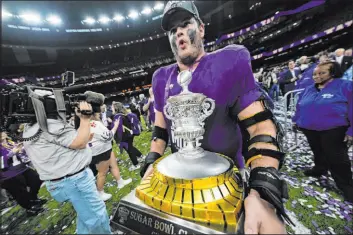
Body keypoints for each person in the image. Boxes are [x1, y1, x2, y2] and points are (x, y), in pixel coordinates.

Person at [140, 1, 291, 234]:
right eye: (172, 30)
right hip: (181, 179)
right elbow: (160, 130)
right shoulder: (161, 78)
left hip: (226, 182)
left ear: (201, 28)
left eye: (185, 23)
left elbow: (260, 125)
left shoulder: (230, 60)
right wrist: (151, 161)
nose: (178, 31)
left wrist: (261, 192)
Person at [22, 89, 111, 234]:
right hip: (74, 181)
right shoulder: (49, 124)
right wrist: (85, 118)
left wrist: (81, 123)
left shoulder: (32, 126)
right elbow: (80, 143)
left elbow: (73, 141)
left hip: (63, 181)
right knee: (97, 216)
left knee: (86, 216)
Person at [292, 61, 353, 203]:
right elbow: (300, 105)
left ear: (333, 73)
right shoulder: (309, 88)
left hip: (334, 129)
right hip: (309, 128)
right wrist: (296, 119)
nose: (316, 76)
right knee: (317, 150)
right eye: (314, 74)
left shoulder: (345, 86)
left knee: (336, 157)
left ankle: (346, 185)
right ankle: (320, 168)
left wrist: (351, 131)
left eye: (322, 73)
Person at [0, 131, 45, 216]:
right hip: (8, 174)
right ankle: (29, 208)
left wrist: (21, 149)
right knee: (20, 191)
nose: (4, 132)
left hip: (22, 168)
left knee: (36, 179)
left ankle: (32, 198)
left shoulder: (9, 142)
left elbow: (19, 154)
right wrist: (10, 154)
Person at [111, 102, 144, 171]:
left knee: (130, 150)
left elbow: (118, 130)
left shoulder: (117, 116)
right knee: (130, 147)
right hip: (129, 134)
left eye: (112, 107)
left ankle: (136, 164)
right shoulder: (124, 114)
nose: (111, 109)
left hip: (124, 136)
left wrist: (118, 140)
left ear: (116, 108)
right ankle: (141, 156)